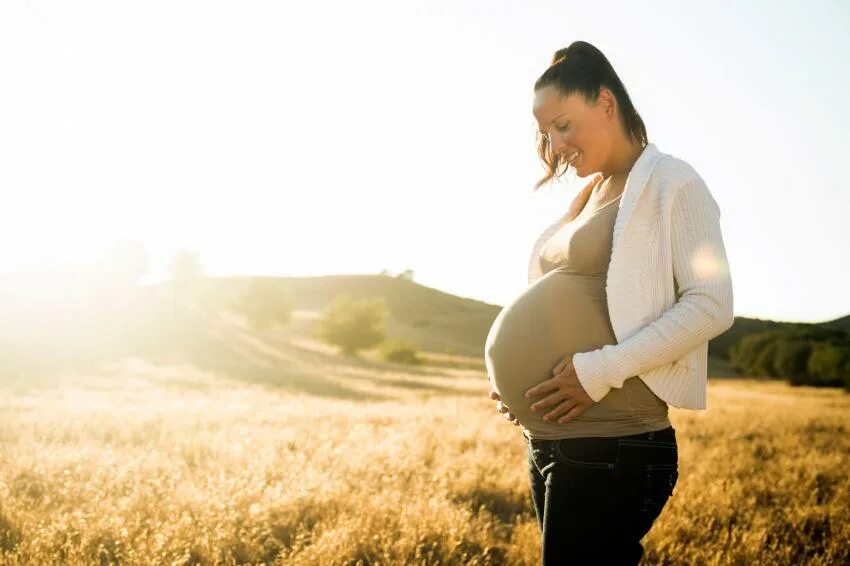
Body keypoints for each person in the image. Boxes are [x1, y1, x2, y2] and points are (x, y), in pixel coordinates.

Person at [484, 40, 734, 565]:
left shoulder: (673, 183)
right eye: (546, 132)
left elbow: (711, 304)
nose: (554, 144)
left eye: (564, 125)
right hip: (552, 441)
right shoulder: (592, 193)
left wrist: (597, 371)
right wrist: (519, 386)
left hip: (614, 446)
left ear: (605, 102)